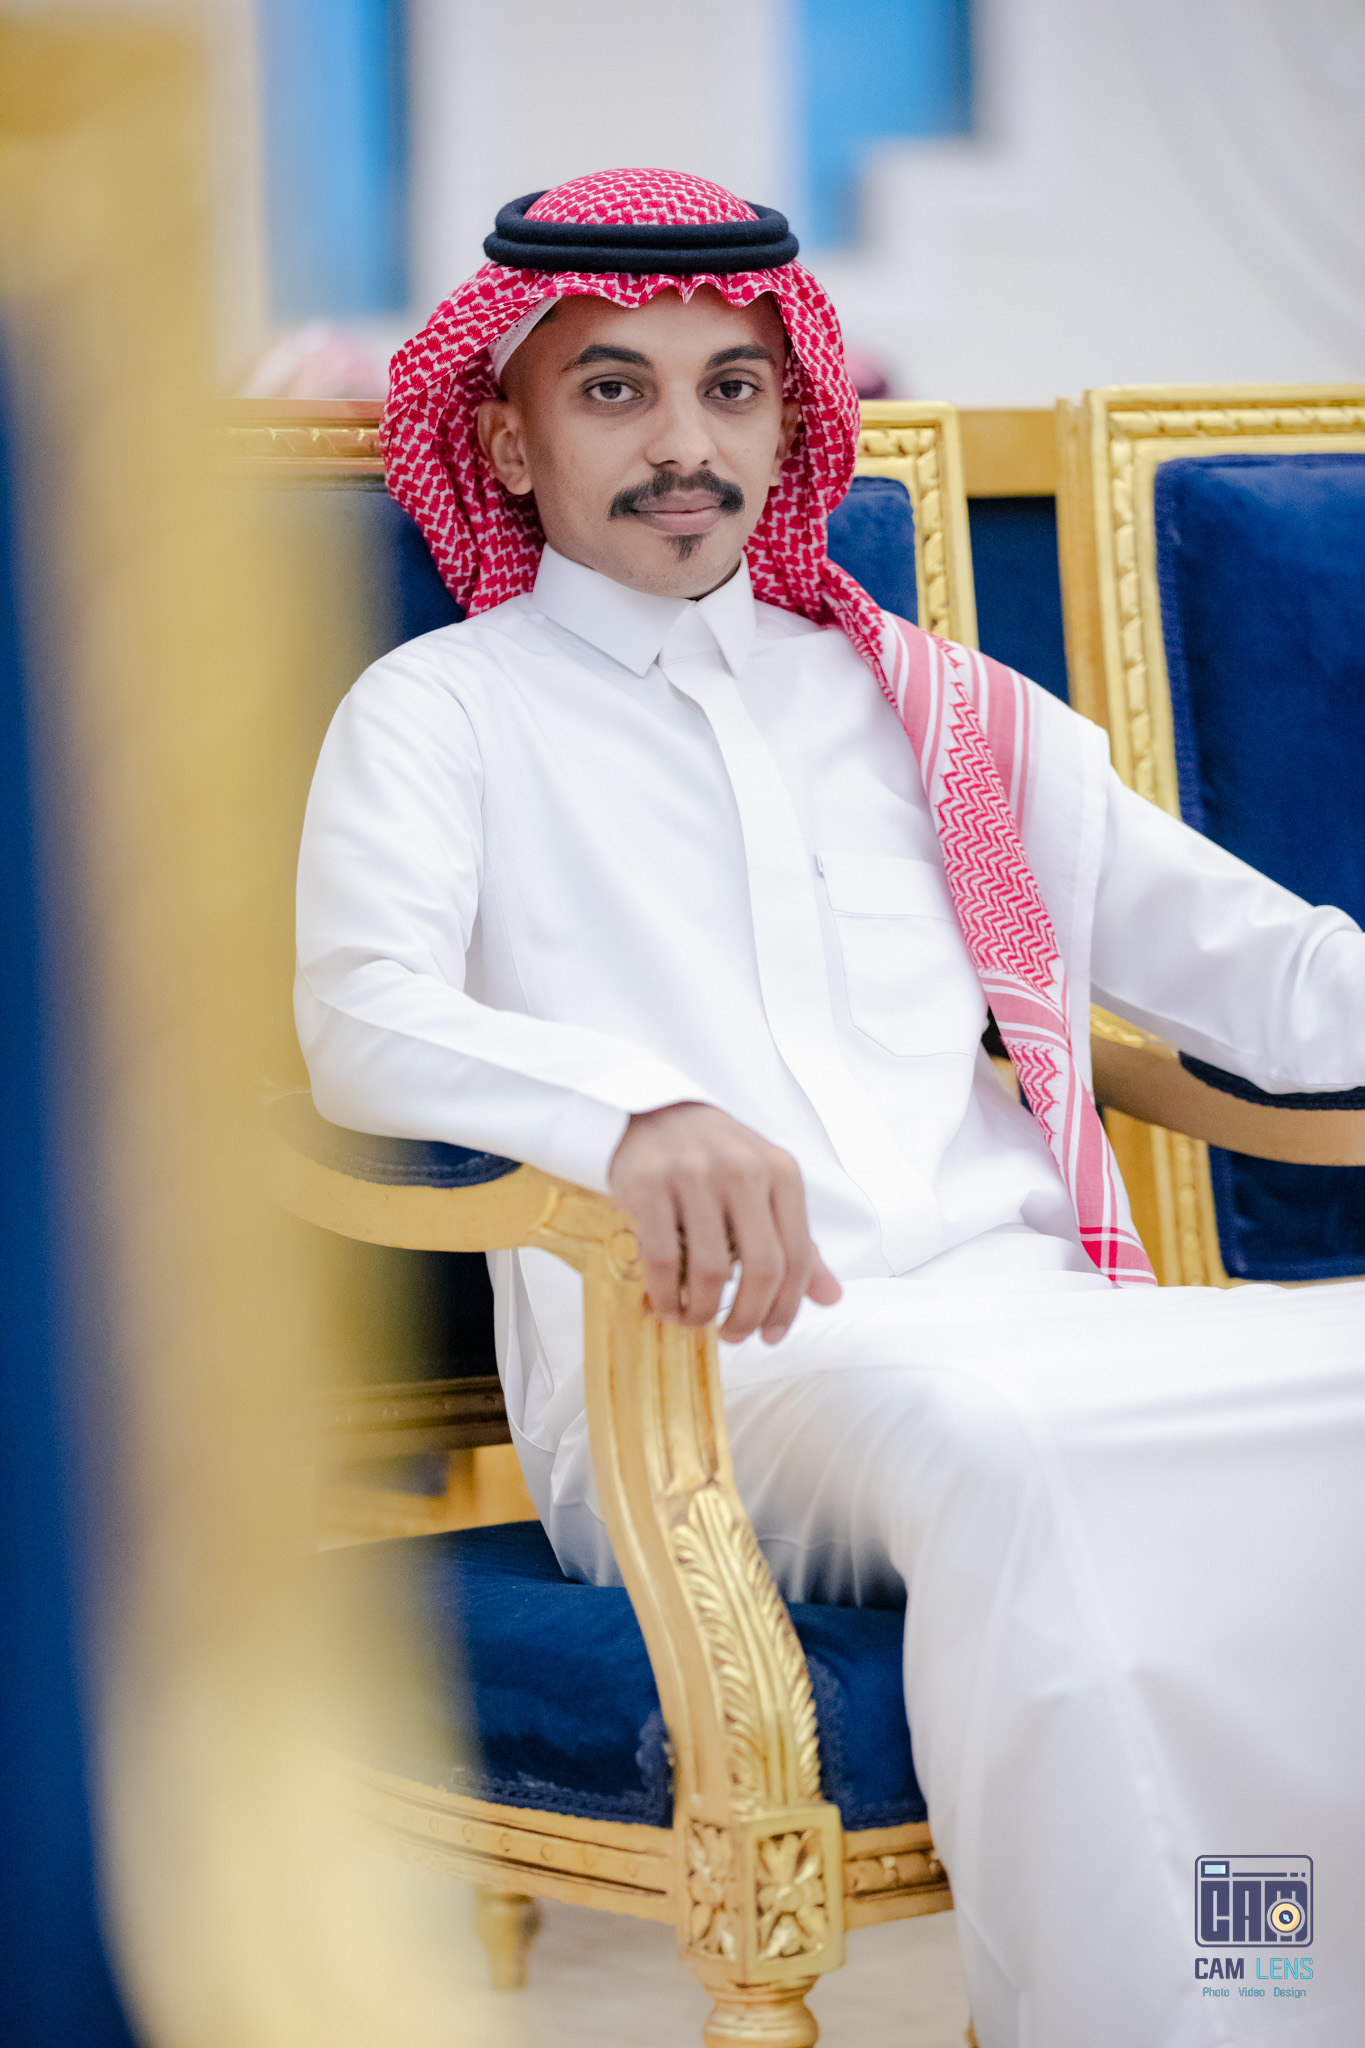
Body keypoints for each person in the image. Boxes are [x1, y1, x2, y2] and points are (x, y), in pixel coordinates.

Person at [295, 169, 1364, 2046]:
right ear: (509, 439)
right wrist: (636, 1110)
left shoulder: (931, 708)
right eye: (613, 389)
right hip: (710, 1379)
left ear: (788, 421)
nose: (682, 444)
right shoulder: (442, 711)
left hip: (1037, 1320)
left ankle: (1272, 1979)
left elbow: (1270, 980)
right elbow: (360, 1021)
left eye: (731, 388)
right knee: (995, 1444)